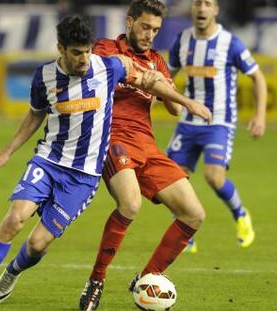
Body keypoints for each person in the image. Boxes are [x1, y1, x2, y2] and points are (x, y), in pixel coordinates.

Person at [0, 15, 211, 311]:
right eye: (76, 53)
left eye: (87, 51)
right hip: (49, 160)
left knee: (38, 244)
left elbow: (148, 79)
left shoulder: (108, 67)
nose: (84, 59)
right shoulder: (45, 76)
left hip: (83, 177)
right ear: (60, 49)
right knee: (15, 219)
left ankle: (13, 270)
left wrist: (185, 101)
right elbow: (35, 114)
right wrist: (7, 151)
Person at [78, 1, 211, 310]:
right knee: (131, 203)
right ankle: (96, 280)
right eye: (145, 27)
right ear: (130, 22)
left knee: (194, 213)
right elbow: (133, 78)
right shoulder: (106, 48)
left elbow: (174, 108)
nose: (150, 35)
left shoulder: (158, 61)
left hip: (147, 146)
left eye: (156, 30)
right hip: (114, 139)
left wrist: (165, 86)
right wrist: (180, 97)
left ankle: (148, 279)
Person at [166, 0, 267, 251]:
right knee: (171, 179)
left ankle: (241, 215)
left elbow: (258, 77)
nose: (201, 8)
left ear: (216, 10)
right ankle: (186, 232)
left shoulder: (229, 43)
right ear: (192, 9)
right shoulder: (182, 40)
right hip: (188, 122)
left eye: (207, 4)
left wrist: (260, 115)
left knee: (213, 177)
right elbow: (167, 77)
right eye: (197, 3)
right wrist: (168, 98)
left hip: (218, 121)